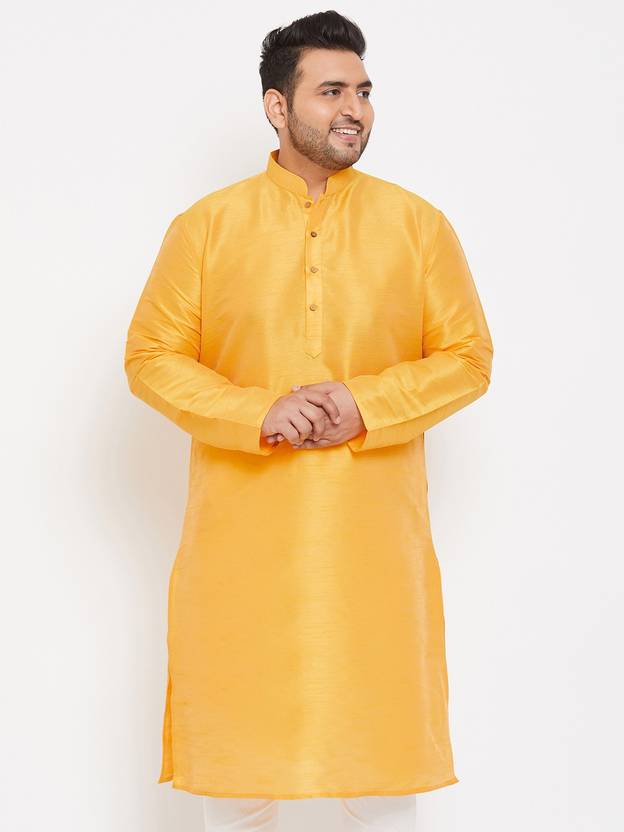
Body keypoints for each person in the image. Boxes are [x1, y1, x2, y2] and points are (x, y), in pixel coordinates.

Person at [124, 9, 494, 831]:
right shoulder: (207, 227)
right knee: (242, 781)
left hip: (372, 550)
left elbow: (469, 357)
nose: (353, 108)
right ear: (277, 105)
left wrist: (365, 403)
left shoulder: (417, 226)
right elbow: (150, 357)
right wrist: (261, 409)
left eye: (362, 91)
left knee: (378, 781)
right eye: (331, 91)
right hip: (243, 550)